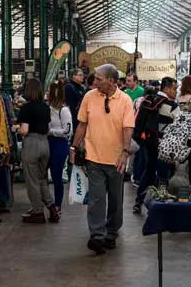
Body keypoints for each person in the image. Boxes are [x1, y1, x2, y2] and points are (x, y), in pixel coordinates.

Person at [70, 64, 135, 254]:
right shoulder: (89, 97)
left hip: (117, 160)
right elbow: (82, 124)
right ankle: (97, 235)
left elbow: (128, 128)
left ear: (112, 81)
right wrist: (74, 146)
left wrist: (124, 152)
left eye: (99, 79)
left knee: (115, 200)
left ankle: (111, 232)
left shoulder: (125, 101)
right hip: (94, 157)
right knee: (96, 199)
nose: (94, 81)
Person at [15, 78, 59, 224]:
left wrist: (15, 128)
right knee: (42, 179)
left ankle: (38, 211)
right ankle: (52, 207)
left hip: (31, 144)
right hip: (44, 143)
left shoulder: (26, 108)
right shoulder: (45, 107)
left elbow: (24, 130)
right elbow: (47, 128)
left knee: (32, 181)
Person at [133, 76, 178, 214]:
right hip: (164, 144)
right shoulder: (171, 106)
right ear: (167, 88)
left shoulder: (148, 100)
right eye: (174, 88)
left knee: (149, 170)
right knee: (164, 173)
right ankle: (160, 205)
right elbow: (177, 126)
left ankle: (138, 201)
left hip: (148, 142)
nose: (176, 92)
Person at [47, 80, 72, 213]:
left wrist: (51, 132)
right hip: (49, 143)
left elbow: (68, 131)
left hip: (59, 144)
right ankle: (49, 204)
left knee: (57, 176)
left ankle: (57, 205)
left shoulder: (64, 110)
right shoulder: (49, 108)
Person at [65, 68, 86, 133]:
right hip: (73, 115)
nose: (82, 77)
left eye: (82, 75)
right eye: (80, 75)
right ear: (74, 76)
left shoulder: (81, 87)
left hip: (80, 115)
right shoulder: (69, 86)